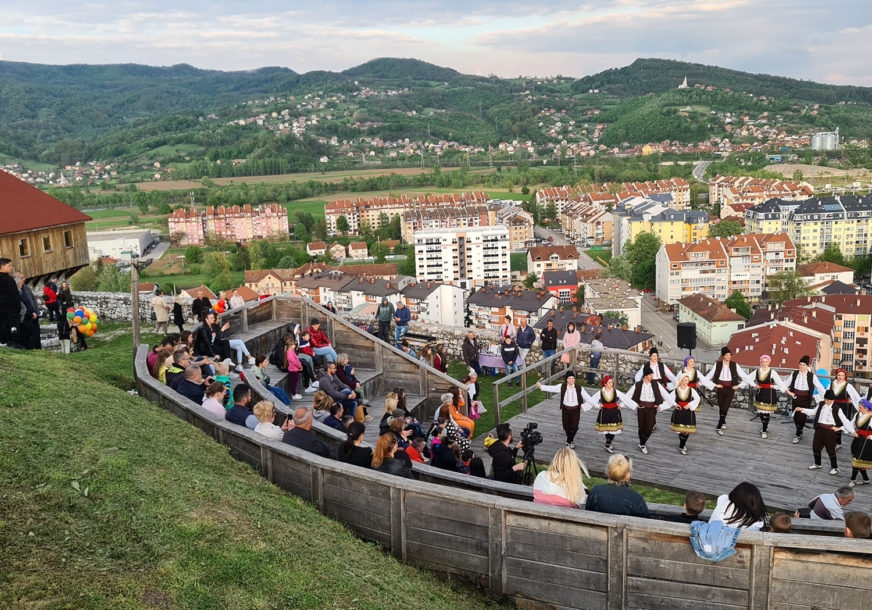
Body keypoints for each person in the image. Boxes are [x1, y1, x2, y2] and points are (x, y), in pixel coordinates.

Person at [623, 364, 674, 455]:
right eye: (651, 375)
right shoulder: (638, 384)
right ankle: (642, 443)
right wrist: (621, 404)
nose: (652, 376)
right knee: (641, 427)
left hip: (651, 408)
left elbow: (665, 394)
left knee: (650, 427)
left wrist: (675, 403)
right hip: (641, 408)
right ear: (646, 375)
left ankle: (642, 443)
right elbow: (628, 395)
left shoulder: (655, 384)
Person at [797, 389, 850, 475]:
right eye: (825, 399)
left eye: (828, 400)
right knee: (816, 447)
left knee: (831, 449)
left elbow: (845, 420)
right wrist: (802, 409)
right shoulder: (821, 404)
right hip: (819, 429)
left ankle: (835, 468)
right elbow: (813, 412)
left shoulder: (836, 408)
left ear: (833, 400)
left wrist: (840, 428)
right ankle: (818, 464)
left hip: (830, 431)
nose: (826, 401)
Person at [537, 370, 590, 449]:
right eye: (569, 378)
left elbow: (588, 398)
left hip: (575, 410)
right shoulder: (562, 387)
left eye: (572, 378)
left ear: (574, 379)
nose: (571, 380)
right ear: (566, 379)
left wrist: (597, 404)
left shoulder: (579, 388)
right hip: (565, 409)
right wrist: (541, 386)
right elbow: (552, 388)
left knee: (574, 427)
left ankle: (569, 441)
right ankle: (570, 441)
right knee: (566, 426)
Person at [585, 453, 650, 518]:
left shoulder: (596, 491)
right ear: (628, 475)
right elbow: (646, 522)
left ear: (608, 472)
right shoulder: (637, 500)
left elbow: (587, 513)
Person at [582, 375, 632, 454]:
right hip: (604, 412)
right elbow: (592, 400)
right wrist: (596, 405)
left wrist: (622, 405)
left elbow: (625, 398)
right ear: (605, 384)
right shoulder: (600, 392)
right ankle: (608, 444)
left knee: (613, 430)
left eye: (612, 382)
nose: (611, 384)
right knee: (606, 430)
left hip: (614, 412)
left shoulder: (615, 392)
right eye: (609, 382)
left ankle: (608, 443)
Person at [701, 348, 745, 435]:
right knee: (721, 406)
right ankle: (723, 421)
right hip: (720, 387)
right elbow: (710, 375)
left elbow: (743, 375)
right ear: (723, 356)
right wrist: (701, 382)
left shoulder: (734, 365)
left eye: (729, 355)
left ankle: (719, 426)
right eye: (726, 355)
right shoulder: (718, 364)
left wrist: (739, 385)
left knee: (726, 406)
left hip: (730, 388)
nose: (728, 357)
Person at [786, 356, 827, 445]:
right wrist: (789, 392)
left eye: (803, 365)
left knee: (802, 417)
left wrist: (825, 397)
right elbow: (786, 384)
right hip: (795, 397)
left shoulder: (811, 376)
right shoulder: (794, 373)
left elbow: (819, 387)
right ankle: (800, 431)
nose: (801, 366)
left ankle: (797, 434)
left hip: (806, 399)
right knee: (795, 416)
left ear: (807, 366)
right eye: (800, 364)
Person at [660, 372, 701, 456]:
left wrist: (689, 405)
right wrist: (660, 407)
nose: (687, 382)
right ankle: (682, 444)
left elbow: (697, 398)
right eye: (685, 380)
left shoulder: (691, 390)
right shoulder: (676, 391)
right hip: (678, 412)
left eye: (687, 380)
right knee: (680, 430)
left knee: (686, 431)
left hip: (688, 412)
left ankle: (682, 445)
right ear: (681, 380)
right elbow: (669, 400)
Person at [747, 354, 787, 440]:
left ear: (769, 362)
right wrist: (754, 385)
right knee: (761, 412)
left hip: (769, 394)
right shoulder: (757, 371)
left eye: (766, 362)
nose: (764, 363)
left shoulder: (772, 372)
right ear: (760, 362)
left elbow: (780, 383)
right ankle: (765, 425)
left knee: (766, 413)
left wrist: (775, 387)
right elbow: (748, 378)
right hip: (760, 393)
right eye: (763, 362)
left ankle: (764, 430)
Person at [823, 367, 859, 450]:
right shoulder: (831, 384)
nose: (840, 377)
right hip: (832, 405)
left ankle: (838, 443)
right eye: (839, 375)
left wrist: (860, 408)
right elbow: (825, 395)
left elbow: (855, 397)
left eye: (842, 375)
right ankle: (832, 441)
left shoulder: (848, 386)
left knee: (839, 423)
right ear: (836, 375)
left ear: (845, 376)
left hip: (843, 407)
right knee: (831, 422)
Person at [848, 398, 872, 488]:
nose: (859, 409)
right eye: (859, 407)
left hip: (867, 442)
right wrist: (852, 431)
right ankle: (866, 479)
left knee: (857, 460)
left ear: (867, 408)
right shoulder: (857, 414)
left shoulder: (871, 417)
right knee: (858, 459)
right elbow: (851, 424)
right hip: (858, 439)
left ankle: (852, 480)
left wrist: (871, 436)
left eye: (861, 407)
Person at [15, 273, 41, 350]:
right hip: (26, 317)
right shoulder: (17, 290)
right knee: (29, 335)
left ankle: (38, 348)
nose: (24, 279)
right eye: (22, 278)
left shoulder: (26, 287)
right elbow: (23, 304)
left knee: (36, 333)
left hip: (34, 314)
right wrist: (30, 313)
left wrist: (36, 311)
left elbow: (33, 300)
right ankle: (29, 348)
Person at [0, 258, 18, 346]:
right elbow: (15, 296)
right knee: (10, 330)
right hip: (9, 309)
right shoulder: (8, 279)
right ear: (2, 266)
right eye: (9, 266)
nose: (11, 268)